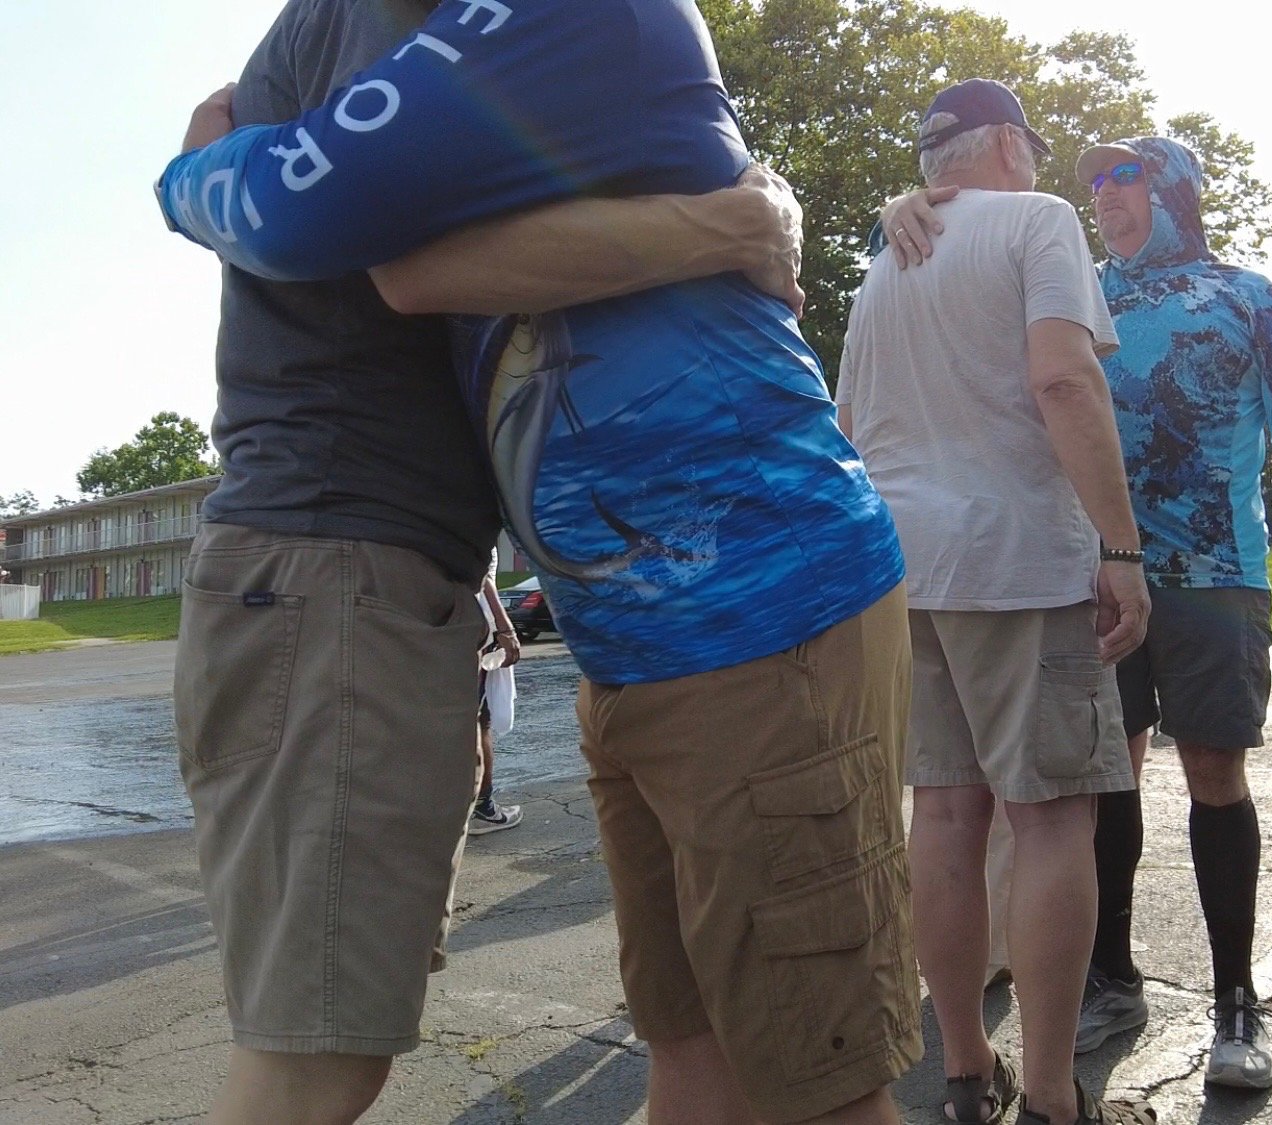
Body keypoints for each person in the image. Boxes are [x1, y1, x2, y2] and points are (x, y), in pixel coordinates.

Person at [158, 3, 920, 1123]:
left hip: (767, 606)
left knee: (815, 1080)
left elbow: (402, 263)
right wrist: (733, 226)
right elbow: (379, 251)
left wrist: (192, 172)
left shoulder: (566, 15)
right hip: (633, 644)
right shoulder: (428, 51)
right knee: (687, 1038)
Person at [838, 79, 1155, 1125]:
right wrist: (1120, 546)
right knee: (1053, 817)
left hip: (904, 569)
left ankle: (967, 1070)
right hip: (1019, 560)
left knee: (943, 814)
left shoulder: (886, 264)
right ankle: (1059, 1097)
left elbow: (850, 423)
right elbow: (1063, 380)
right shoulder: (1039, 222)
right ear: (1008, 145)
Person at [1065, 137, 1272, 1088]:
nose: (1105, 194)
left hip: (1216, 573)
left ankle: (1236, 1002)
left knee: (1213, 772)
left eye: (1126, 177)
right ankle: (1112, 978)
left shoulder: (1246, 296)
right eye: (1096, 182)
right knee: (1109, 774)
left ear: (1174, 192)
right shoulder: (1079, 292)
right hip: (1102, 578)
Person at [470, 549, 523, 834]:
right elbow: (480, 573)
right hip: (473, 622)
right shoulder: (475, 511)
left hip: (443, 617)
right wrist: (505, 627)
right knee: (478, 720)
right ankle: (483, 807)